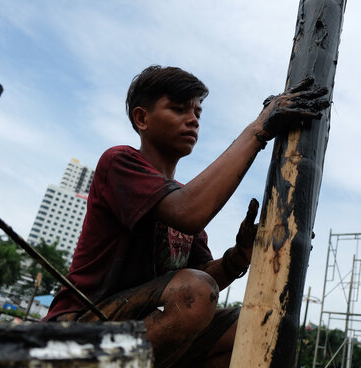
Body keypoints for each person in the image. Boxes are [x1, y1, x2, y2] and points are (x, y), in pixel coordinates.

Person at [43, 65, 329, 368]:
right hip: (82, 327)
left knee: (260, 324)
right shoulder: (121, 163)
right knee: (193, 291)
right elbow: (188, 219)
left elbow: (205, 276)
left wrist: (239, 257)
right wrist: (258, 130)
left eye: (197, 113)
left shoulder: (186, 197)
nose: (192, 120)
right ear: (142, 118)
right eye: (179, 109)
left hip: (141, 331)